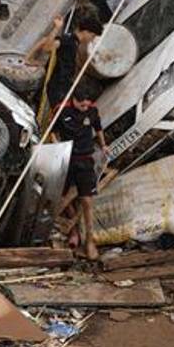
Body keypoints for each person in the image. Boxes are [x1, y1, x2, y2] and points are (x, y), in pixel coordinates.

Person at [52, 85, 108, 261]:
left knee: (87, 200)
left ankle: (90, 240)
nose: (85, 108)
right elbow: (52, 131)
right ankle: (73, 232)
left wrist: (104, 144)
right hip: (67, 159)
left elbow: (98, 128)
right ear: (73, 100)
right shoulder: (61, 110)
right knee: (63, 196)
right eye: (81, 105)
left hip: (85, 159)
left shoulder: (92, 110)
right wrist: (57, 148)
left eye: (87, 105)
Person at [27, 14, 102, 110]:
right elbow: (47, 46)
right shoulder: (68, 40)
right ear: (86, 32)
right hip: (54, 87)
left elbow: (44, 41)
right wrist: (57, 28)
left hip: (61, 87)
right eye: (92, 36)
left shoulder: (74, 42)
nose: (91, 40)